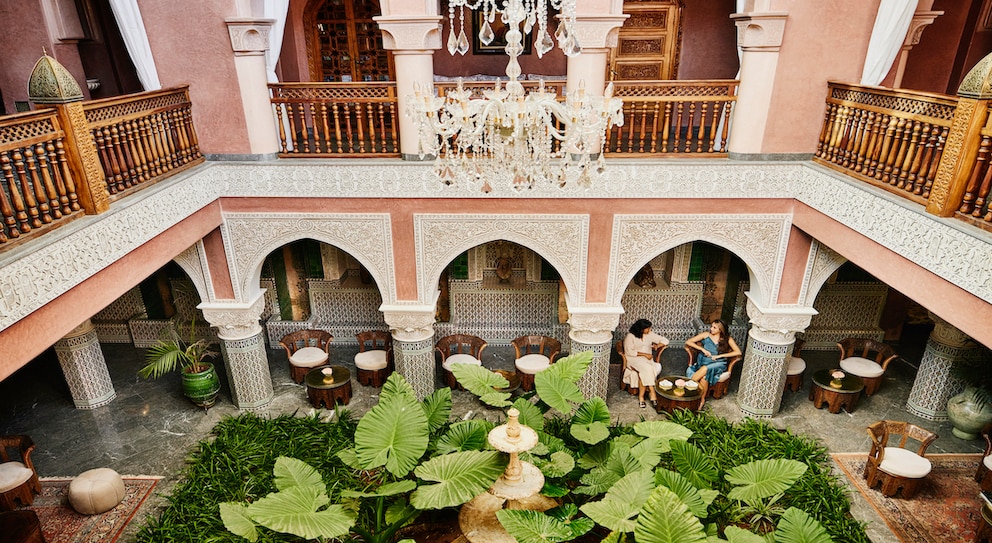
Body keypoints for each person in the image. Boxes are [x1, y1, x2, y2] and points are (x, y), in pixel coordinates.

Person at [685, 319, 742, 407]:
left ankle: (686, 389)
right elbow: (688, 341)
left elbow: (738, 352)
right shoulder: (706, 335)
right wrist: (702, 349)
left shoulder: (727, 339)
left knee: (704, 369)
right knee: (704, 378)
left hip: (718, 363)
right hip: (704, 361)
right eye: (711, 326)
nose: (711, 329)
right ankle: (701, 401)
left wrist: (720, 356)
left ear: (720, 329)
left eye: (714, 328)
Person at [623, 318, 670, 409]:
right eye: (648, 328)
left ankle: (641, 398)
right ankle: (652, 392)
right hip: (633, 359)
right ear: (641, 329)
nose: (650, 330)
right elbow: (629, 352)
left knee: (644, 372)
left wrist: (657, 345)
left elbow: (665, 340)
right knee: (648, 368)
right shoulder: (630, 336)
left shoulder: (650, 335)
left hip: (646, 360)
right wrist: (645, 354)